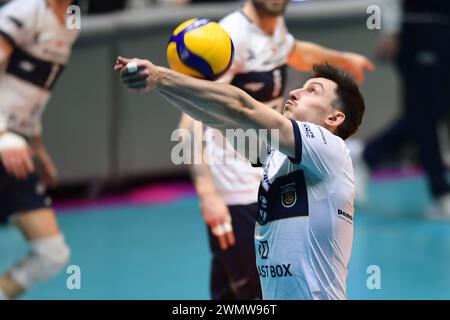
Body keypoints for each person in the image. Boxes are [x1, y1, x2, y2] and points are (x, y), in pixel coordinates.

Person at [115, 56, 365, 299]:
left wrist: (161, 76)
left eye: (312, 91)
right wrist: (158, 86)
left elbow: (241, 107)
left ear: (334, 118)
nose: (294, 92)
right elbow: (218, 118)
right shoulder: (276, 155)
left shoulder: (330, 149)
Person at [178, 0, 374, 300]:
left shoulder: (274, 28)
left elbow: (295, 51)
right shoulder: (229, 37)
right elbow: (190, 121)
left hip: (267, 177)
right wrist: (207, 192)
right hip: (233, 184)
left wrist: (343, 59)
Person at [0, 0, 79, 299]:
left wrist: (38, 148)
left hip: (18, 148)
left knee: (51, 254)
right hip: (5, 139)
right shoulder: (24, 11)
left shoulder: (72, 21)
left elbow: (35, 94)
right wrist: (2, 134)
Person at [354, 0, 450, 220]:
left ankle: (369, 155)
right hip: (417, 30)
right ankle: (441, 192)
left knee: (433, 109)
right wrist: (390, 31)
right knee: (424, 111)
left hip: (444, 28)